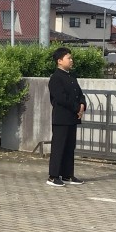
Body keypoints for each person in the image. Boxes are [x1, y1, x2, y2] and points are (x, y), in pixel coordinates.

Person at [47, 47, 86, 187]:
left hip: (72, 118)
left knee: (70, 147)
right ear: (59, 61)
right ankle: (53, 176)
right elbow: (61, 98)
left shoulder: (72, 76)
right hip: (61, 118)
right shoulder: (55, 78)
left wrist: (82, 105)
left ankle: (67, 175)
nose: (71, 60)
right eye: (68, 58)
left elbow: (79, 94)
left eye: (71, 58)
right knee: (59, 147)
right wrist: (77, 108)